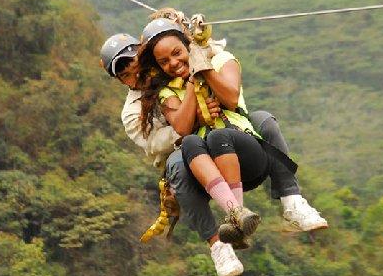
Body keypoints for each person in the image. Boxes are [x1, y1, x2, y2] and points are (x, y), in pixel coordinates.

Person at [100, 32, 299, 276]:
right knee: (177, 162)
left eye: (137, 65)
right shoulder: (132, 111)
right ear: (121, 81)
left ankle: (292, 201)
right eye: (126, 74)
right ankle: (218, 245)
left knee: (261, 120)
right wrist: (195, 118)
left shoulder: (171, 70)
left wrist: (194, 38)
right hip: (188, 162)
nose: (136, 74)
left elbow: (208, 51)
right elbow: (156, 143)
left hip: (223, 141)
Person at [137, 18, 328, 253]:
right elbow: (183, 127)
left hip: (245, 154)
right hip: (210, 170)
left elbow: (230, 98)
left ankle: (291, 204)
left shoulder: (222, 61)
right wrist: (191, 85)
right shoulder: (167, 91)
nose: (174, 63)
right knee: (189, 142)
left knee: (221, 135)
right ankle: (235, 220)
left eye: (177, 53)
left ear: (188, 45)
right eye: (164, 62)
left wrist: (203, 69)